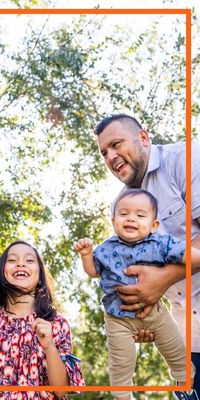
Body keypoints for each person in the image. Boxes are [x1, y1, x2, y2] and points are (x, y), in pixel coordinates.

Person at [94, 113, 200, 400]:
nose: (111, 156)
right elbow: (134, 277)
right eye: (104, 153)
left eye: (116, 144)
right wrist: (138, 321)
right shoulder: (122, 206)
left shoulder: (186, 158)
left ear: (143, 137)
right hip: (189, 337)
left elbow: (158, 279)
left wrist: (163, 280)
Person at [75, 189, 199, 399]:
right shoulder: (105, 248)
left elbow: (192, 257)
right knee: (121, 362)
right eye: (124, 214)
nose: (131, 218)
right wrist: (86, 255)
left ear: (154, 225)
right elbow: (93, 272)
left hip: (155, 314)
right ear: (114, 221)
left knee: (175, 348)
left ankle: (184, 376)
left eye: (140, 215)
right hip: (117, 319)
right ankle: (122, 395)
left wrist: (188, 256)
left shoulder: (161, 244)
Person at [0, 240, 85, 399]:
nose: (20, 264)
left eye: (29, 260)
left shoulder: (56, 323)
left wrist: (49, 347)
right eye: (12, 260)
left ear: (40, 276)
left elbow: (61, 391)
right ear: (1, 273)